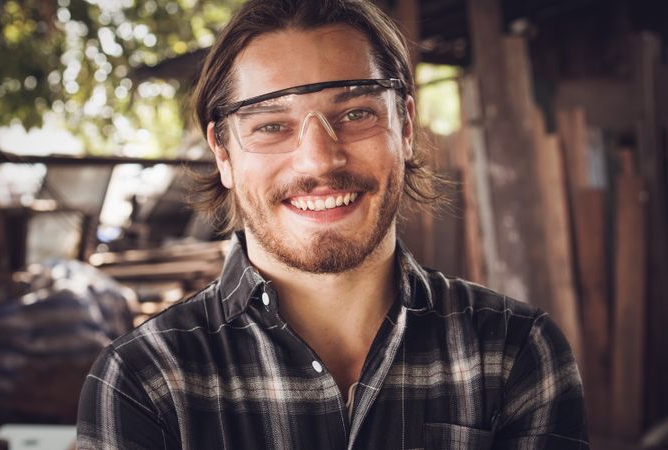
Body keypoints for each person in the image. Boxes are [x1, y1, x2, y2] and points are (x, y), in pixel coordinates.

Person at [77, 0, 588, 448]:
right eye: (272, 125)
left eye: (357, 113)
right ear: (223, 154)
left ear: (405, 127)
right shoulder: (144, 379)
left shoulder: (514, 352)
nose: (318, 161)